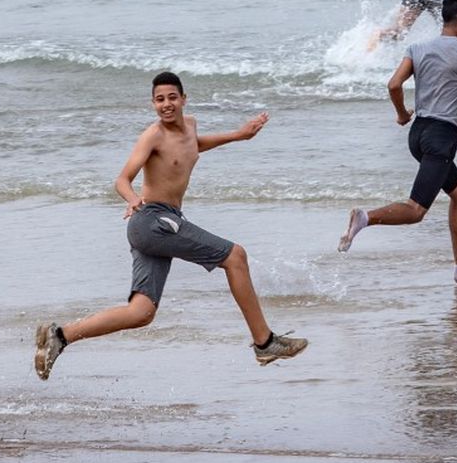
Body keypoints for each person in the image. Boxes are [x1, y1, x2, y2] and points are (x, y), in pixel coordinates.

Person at [32, 71, 308, 380]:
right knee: (236, 256)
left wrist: (238, 135)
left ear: (183, 99)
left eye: (172, 98)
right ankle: (265, 342)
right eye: (159, 100)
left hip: (159, 225)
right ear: (152, 104)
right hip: (152, 220)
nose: (166, 105)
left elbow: (192, 147)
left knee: (142, 313)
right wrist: (132, 197)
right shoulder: (153, 135)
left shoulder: (190, 125)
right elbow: (122, 178)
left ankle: (61, 336)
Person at [338, 0, 457, 284]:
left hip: (418, 134)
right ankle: (365, 218)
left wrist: (402, 114)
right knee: (416, 211)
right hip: (442, 137)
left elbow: (394, 84)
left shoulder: (417, 47)